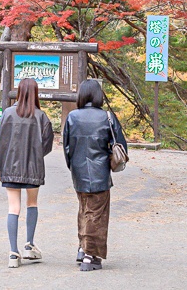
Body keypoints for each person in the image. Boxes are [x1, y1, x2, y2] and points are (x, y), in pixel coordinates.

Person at [63, 79, 127, 272]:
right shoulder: (107, 117)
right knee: (96, 214)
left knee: (84, 210)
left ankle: (83, 249)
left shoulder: (72, 117)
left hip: (79, 172)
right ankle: (91, 256)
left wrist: (73, 167)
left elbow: (67, 148)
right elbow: (121, 145)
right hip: (100, 173)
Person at [0, 78, 54, 269]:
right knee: (32, 203)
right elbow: (47, 145)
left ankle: (13, 252)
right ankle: (29, 244)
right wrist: (35, 155)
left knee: (13, 208)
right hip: (33, 168)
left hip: (10, 167)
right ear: (35, 93)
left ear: (19, 92)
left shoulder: (8, 114)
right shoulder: (41, 116)